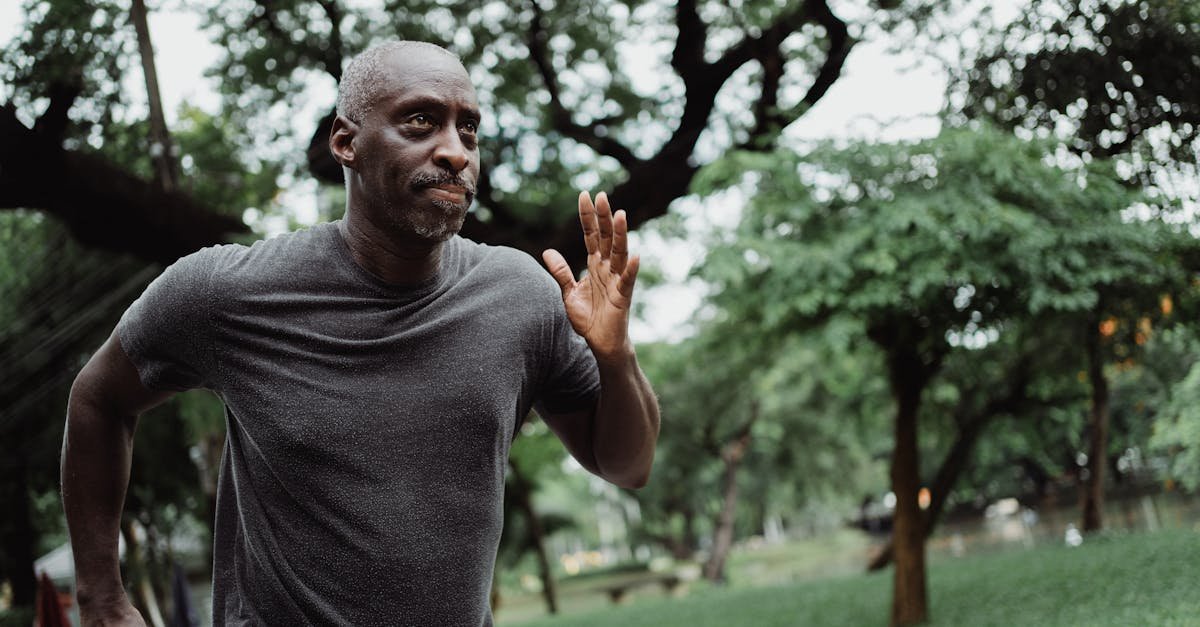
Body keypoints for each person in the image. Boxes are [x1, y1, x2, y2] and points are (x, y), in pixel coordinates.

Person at [61, 40, 660, 626]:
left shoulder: (520, 295)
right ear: (346, 142)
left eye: (469, 129)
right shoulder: (227, 292)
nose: (455, 151)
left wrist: (616, 357)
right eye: (421, 122)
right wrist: (101, 599)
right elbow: (99, 399)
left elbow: (626, 466)